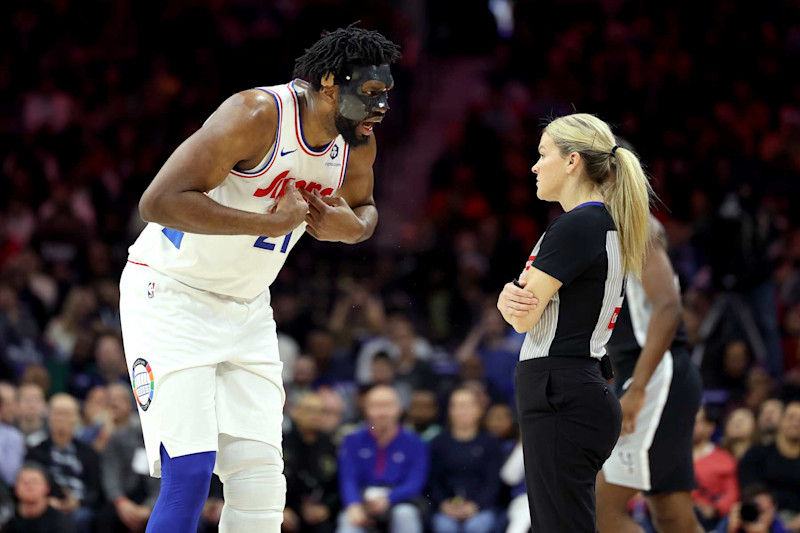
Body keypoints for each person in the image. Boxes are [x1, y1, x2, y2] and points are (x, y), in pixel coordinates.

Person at [118, 25, 401, 532]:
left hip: (247, 307)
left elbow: (366, 210)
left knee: (262, 481)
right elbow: (156, 202)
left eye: (387, 95)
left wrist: (353, 229)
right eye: (373, 93)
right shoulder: (254, 115)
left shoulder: (357, 143)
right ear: (332, 83)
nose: (382, 107)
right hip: (171, 296)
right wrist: (266, 223)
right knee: (190, 472)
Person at [496, 113, 652, 532]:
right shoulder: (599, 223)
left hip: (560, 389)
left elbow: (522, 315)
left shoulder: (577, 225)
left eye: (543, 154)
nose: (534, 165)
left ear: (572, 161)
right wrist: (510, 298)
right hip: (577, 387)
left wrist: (505, 297)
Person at [595, 214, 704, 533]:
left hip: (655, 374)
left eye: (545, 159)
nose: (536, 166)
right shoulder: (590, 226)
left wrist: (638, 388)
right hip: (642, 374)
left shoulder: (634, 226)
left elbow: (669, 307)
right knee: (671, 512)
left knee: (600, 506)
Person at [337, 385, 429, 533]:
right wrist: (353, 504)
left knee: (405, 514)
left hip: (400, 499)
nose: (382, 412)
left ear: (399, 408)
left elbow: (415, 481)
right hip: (363, 500)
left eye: (387, 405)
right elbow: (348, 478)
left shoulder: (414, 442)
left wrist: (390, 498)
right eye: (376, 406)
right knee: (348, 520)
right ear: (365, 409)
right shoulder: (352, 440)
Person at [429, 387, 502, 533]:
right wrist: (444, 504)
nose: (462, 411)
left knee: (476, 527)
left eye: (467, 406)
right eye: (456, 406)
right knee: (445, 527)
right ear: (449, 410)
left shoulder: (490, 443)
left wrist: (476, 506)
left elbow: (493, 481)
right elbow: (433, 480)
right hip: (446, 508)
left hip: (481, 508)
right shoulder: (438, 443)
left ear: (479, 410)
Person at [26, 394, 101, 533]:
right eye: (56, 413)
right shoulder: (35, 451)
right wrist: (47, 501)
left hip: (80, 507)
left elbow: (96, 488)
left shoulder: (89, 453)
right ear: (48, 417)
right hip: (46, 505)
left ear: (76, 418)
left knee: (84, 518)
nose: (60, 418)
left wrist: (78, 502)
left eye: (66, 414)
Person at [97, 385, 159, 533]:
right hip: (122, 499)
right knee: (103, 517)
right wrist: (121, 502)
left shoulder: (162, 439)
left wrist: (149, 507)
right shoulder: (117, 438)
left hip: (153, 499)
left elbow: (164, 479)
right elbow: (110, 473)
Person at [738, 401, 800, 531]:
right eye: (791, 417)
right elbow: (749, 488)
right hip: (760, 514)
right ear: (781, 421)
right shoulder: (757, 453)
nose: (796, 423)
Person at [283, 393, 339, 533]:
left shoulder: (331, 446)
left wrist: (326, 508)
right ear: (295, 412)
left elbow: (337, 484)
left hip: (317, 511)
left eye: (319, 411)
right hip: (285, 509)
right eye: (308, 409)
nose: (314, 415)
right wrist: (279, 510)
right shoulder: (281, 444)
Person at [692, 406, 739, 531]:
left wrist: (715, 509)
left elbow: (732, 493)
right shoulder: (673, 457)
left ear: (710, 427)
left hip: (711, 519)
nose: (689, 425)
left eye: (696, 421)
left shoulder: (725, 459)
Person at [5, 463, 76, 533]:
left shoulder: (61, 523)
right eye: (25, 483)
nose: (30, 487)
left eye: (35, 482)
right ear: (15, 489)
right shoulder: (7, 521)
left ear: (47, 488)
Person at [715, 483, 789, 533]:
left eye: (763, 511)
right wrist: (731, 530)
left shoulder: (779, 525)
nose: (759, 516)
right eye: (755, 510)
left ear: (774, 508)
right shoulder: (732, 520)